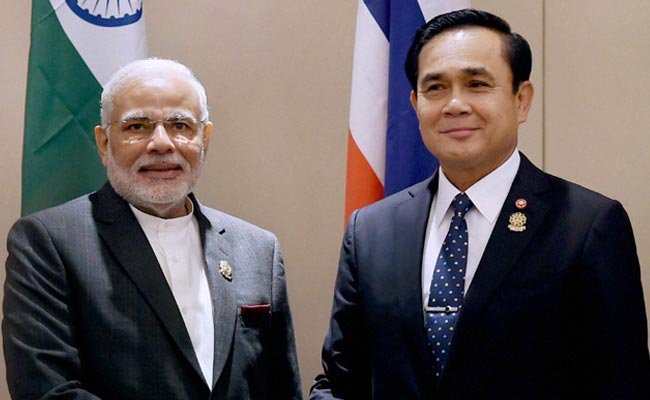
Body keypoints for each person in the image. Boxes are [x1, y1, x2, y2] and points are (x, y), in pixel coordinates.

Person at [311, 9, 649, 400]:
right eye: (435, 88)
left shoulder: (588, 226)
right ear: (415, 104)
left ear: (521, 100)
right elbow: (340, 382)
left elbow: (623, 385)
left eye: (476, 84)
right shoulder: (371, 231)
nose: (455, 104)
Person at [3, 58, 302, 399]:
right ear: (104, 143)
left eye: (180, 125)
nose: (161, 143)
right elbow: (48, 391)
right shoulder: (47, 243)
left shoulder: (258, 249)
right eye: (137, 126)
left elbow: (282, 390)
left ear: (204, 138)